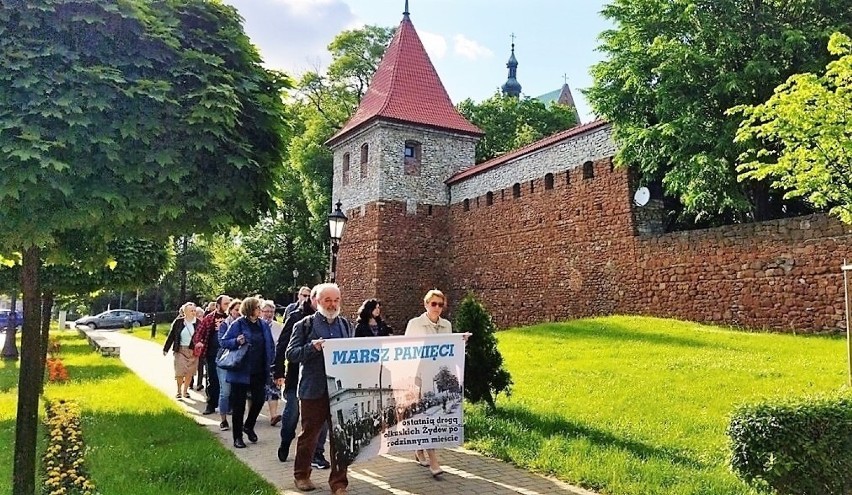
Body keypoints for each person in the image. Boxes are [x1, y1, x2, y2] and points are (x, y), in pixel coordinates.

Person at [286, 283, 353, 495]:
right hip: (313, 390)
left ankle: (339, 483)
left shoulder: (346, 326)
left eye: (336, 300)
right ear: (317, 302)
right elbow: (291, 353)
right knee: (309, 436)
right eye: (328, 300)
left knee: (341, 438)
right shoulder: (304, 325)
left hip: (340, 391)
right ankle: (301, 475)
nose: (332, 305)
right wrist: (312, 347)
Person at [273, 286, 329, 467]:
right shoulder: (298, 319)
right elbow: (283, 346)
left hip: (322, 380)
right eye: (323, 299)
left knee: (320, 421)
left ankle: (317, 454)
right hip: (296, 376)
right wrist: (279, 371)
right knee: (293, 413)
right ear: (314, 299)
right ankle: (286, 441)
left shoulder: (335, 322)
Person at [405, 289, 452, 478]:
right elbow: (406, 351)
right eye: (434, 304)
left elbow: (449, 350)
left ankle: (419, 448)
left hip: (438, 378)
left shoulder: (446, 325)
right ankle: (433, 460)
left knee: (431, 416)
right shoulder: (415, 324)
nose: (437, 308)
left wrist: (461, 342)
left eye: (440, 305)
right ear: (426, 305)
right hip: (419, 377)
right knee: (424, 416)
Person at [220, 296, 275, 449]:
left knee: (258, 401)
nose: (261, 310)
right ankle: (237, 437)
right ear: (251, 309)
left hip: (258, 370)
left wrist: (272, 361)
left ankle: (248, 426)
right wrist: (237, 341)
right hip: (241, 371)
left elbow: (269, 343)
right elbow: (224, 342)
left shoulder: (263, 324)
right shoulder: (239, 323)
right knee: (239, 406)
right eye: (258, 308)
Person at [194, 295, 231, 415]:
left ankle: (226, 405)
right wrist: (199, 342)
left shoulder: (231, 319)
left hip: (227, 354)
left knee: (227, 379)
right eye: (225, 304)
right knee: (212, 379)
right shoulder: (209, 318)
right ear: (218, 305)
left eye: (229, 304)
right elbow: (199, 333)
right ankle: (211, 404)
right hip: (212, 353)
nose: (228, 306)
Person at [162, 302, 200, 399]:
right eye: (191, 311)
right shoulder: (178, 322)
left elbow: (203, 336)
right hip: (180, 350)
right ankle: (178, 390)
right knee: (180, 372)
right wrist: (166, 348)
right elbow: (171, 336)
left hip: (193, 351)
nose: (193, 312)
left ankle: (185, 391)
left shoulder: (199, 323)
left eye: (194, 310)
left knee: (189, 372)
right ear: (185, 312)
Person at [216, 298, 242, 431]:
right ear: (230, 310)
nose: (238, 312)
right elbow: (222, 342)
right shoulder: (224, 324)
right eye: (236, 309)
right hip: (225, 362)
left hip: (240, 362)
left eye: (240, 309)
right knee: (225, 392)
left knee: (238, 392)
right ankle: (223, 420)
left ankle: (239, 420)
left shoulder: (244, 324)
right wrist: (236, 341)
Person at [261, 299, 284, 426]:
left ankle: (273, 415)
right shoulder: (257, 325)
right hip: (259, 362)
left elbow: (281, 344)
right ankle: (253, 413)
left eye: (271, 311)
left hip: (273, 362)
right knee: (255, 391)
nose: (269, 314)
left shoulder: (278, 327)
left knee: (273, 389)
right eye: (266, 311)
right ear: (261, 312)